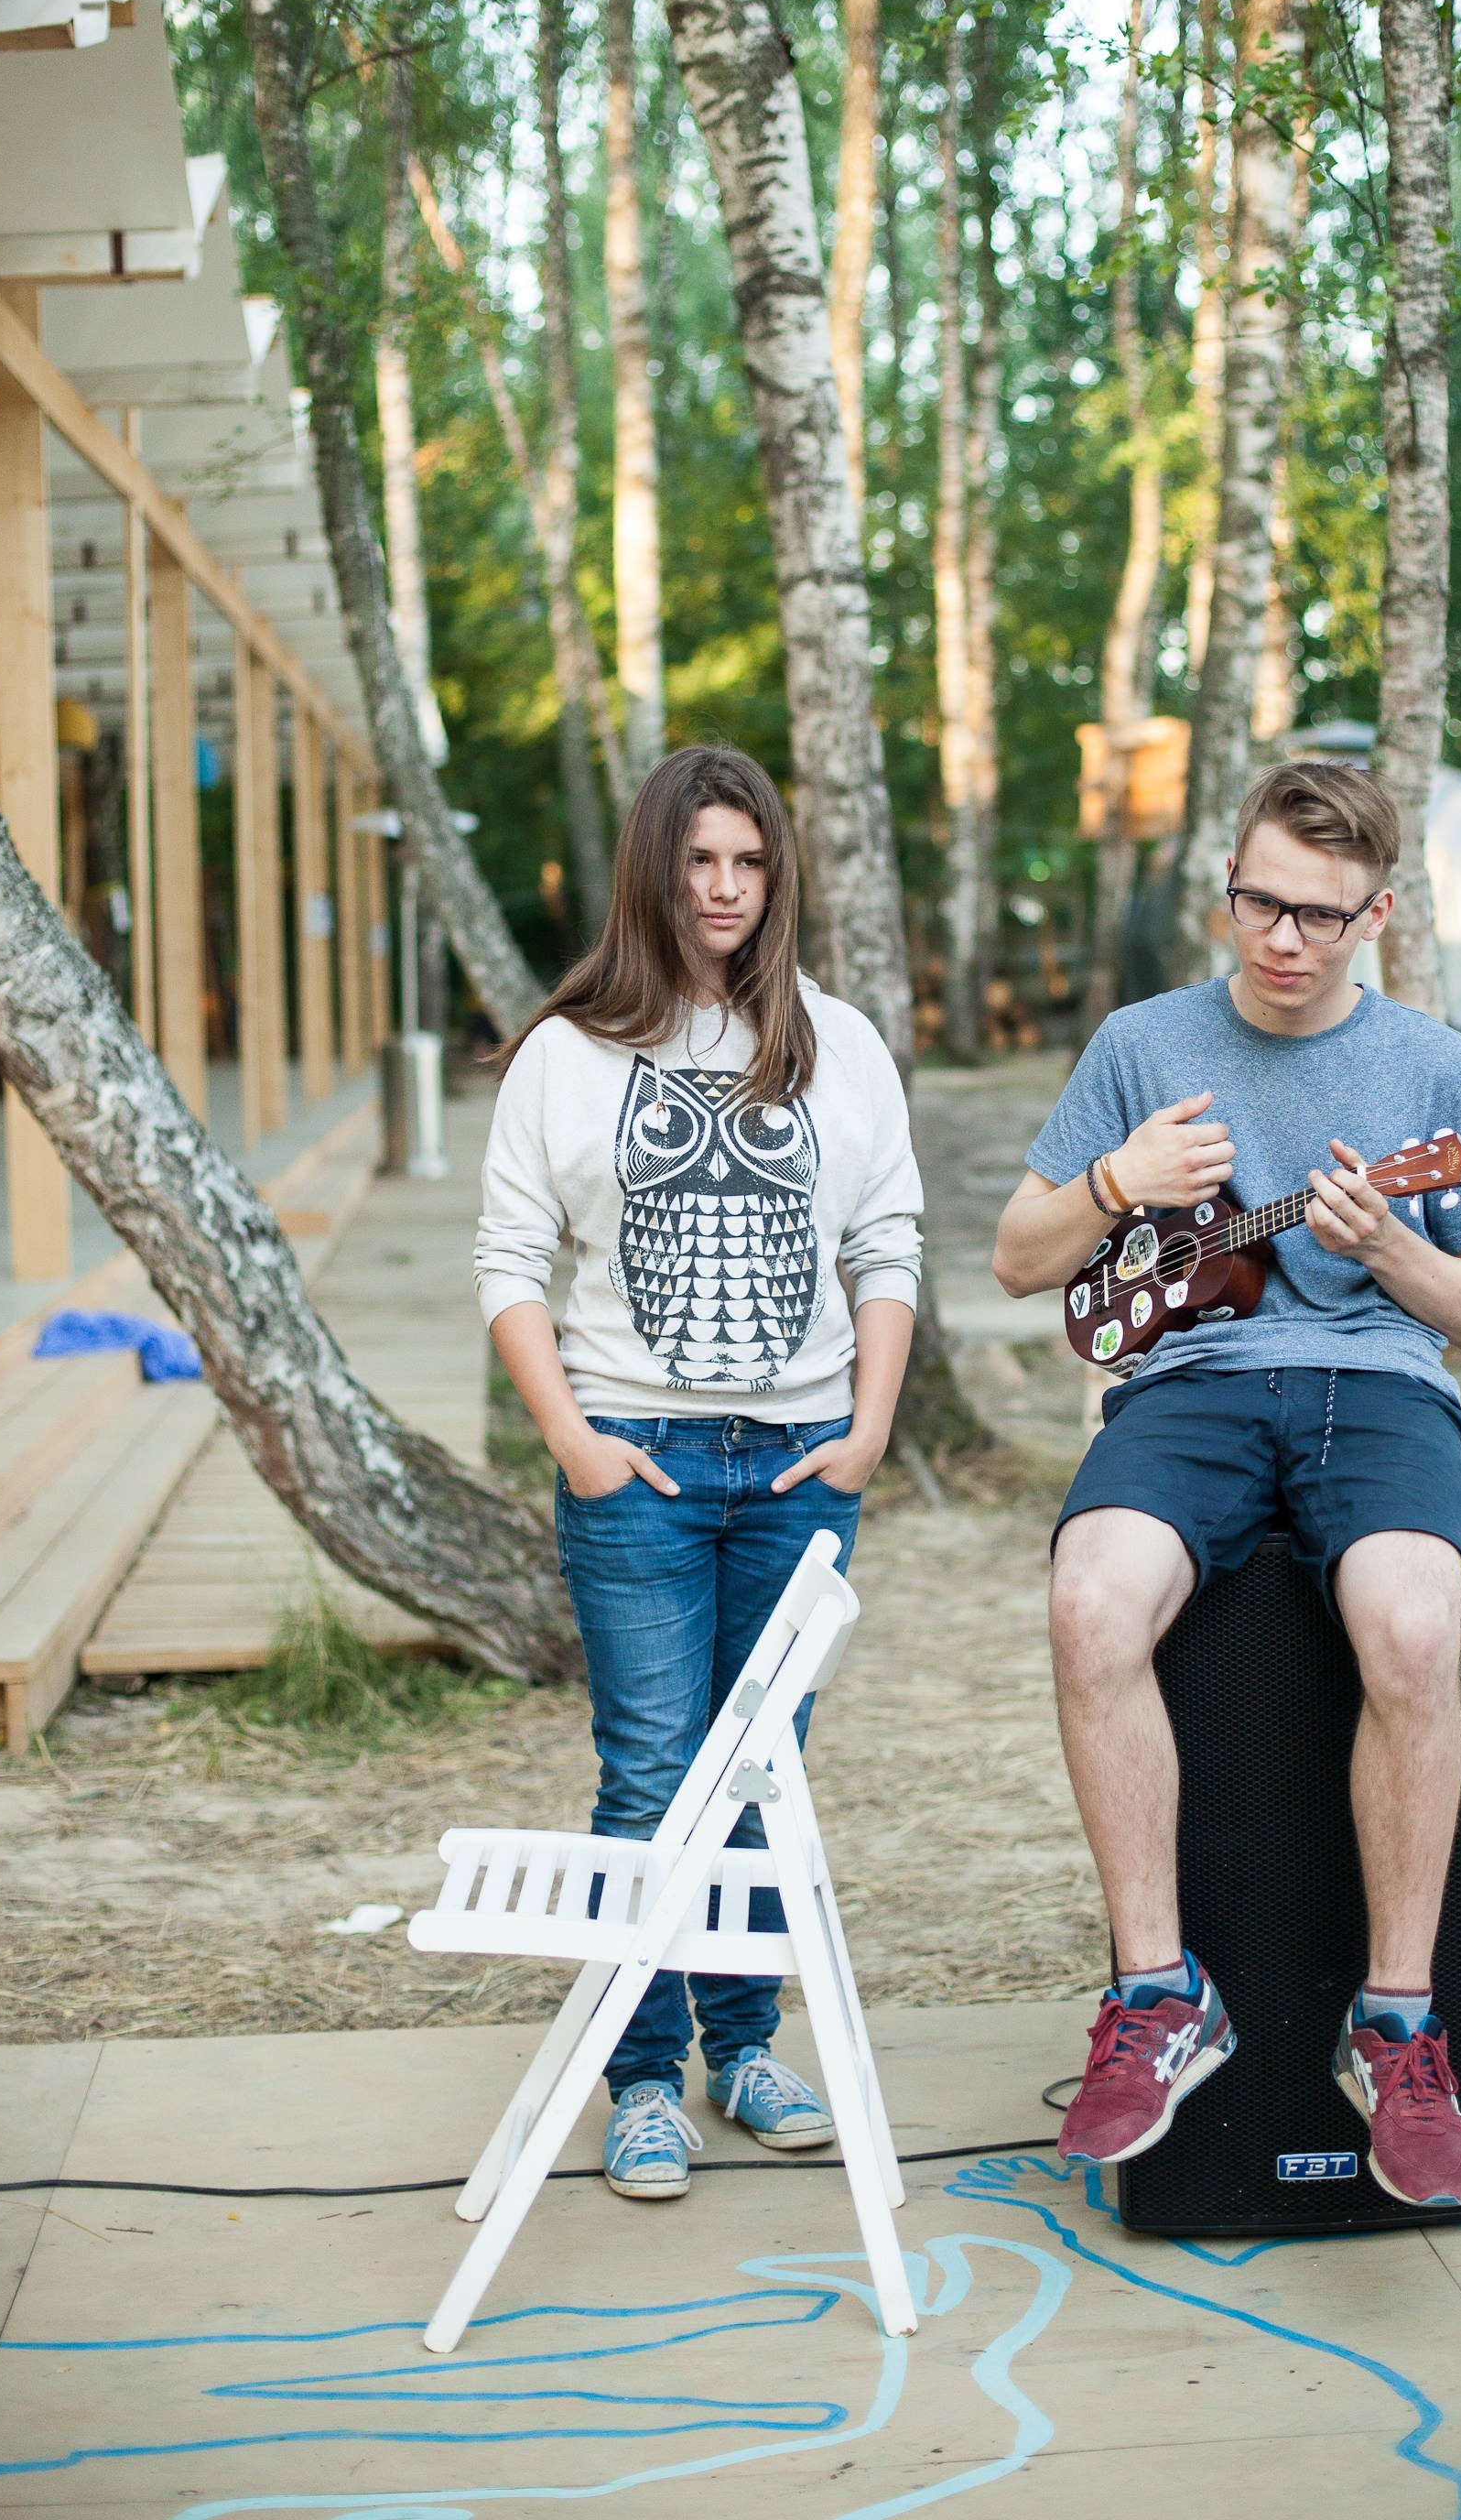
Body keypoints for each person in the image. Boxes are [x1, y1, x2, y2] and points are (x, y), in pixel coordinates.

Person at [992, 760, 1461, 2208]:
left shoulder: (1440, 1070)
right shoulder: (1141, 1044)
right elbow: (1021, 1261)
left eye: (1321, 916)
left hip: (1382, 1386)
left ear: (1380, 916)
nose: (1284, 940)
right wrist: (1116, 1183)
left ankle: (1399, 2026)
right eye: (1259, 903)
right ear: (1226, 887)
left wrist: (1394, 1253)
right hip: (1189, 1388)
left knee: (1415, 1625)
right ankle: (1161, 1998)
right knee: (1090, 1601)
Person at [475, 745, 921, 2203]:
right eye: (699, 862)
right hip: (640, 1468)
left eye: (749, 863)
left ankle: (744, 2045)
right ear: (654, 873)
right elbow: (508, 1262)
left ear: (775, 877)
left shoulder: (840, 1045)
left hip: (803, 1469)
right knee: (650, 1772)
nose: (724, 890)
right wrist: (573, 1442)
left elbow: (887, 1243)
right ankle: (644, 2078)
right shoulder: (569, 1054)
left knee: (761, 1775)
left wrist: (867, 1428)